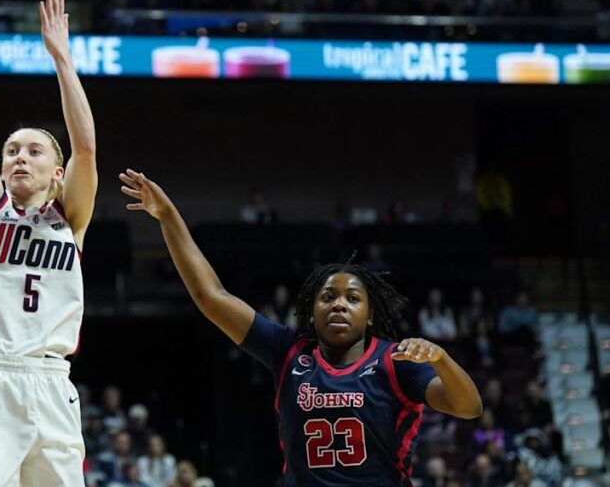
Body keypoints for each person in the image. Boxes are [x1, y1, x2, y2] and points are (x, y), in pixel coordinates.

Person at [119, 170, 482, 486]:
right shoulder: (288, 350)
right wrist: (168, 217)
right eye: (327, 297)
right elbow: (211, 296)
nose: (339, 303)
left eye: (353, 298)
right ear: (311, 311)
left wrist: (443, 360)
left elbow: (469, 407)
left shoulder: (395, 362)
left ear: (370, 315)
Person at [0, 0, 98, 485]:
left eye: (34, 151)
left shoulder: (71, 217)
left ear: (56, 174)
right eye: (11, 149)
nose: (17, 157)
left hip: (54, 380)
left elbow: (85, 146)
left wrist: (62, 58)